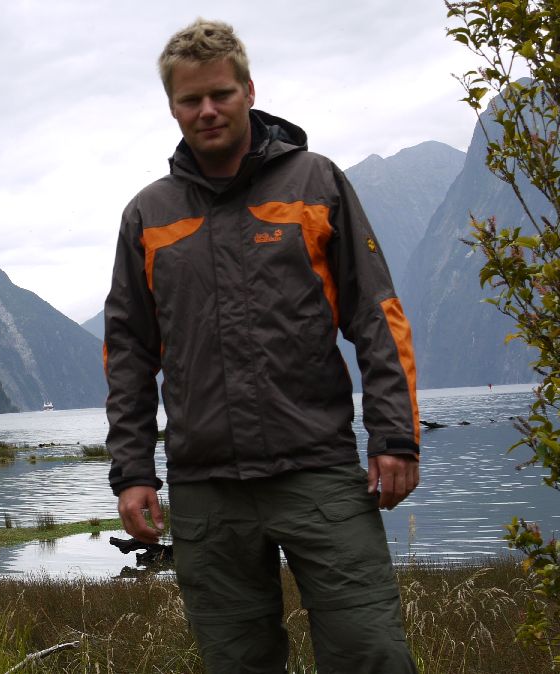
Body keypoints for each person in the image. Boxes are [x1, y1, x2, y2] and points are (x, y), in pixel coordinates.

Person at [103, 18, 420, 673]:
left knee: (373, 655)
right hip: (206, 491)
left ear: (249, 89)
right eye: (191, 100)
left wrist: (395, 437)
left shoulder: (316, 185)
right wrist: (134, 473)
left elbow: (376, 315)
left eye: (220, 93)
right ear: (172, 107)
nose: (207, 109)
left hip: (320, 473)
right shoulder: (148, 216)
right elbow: (129, 353)